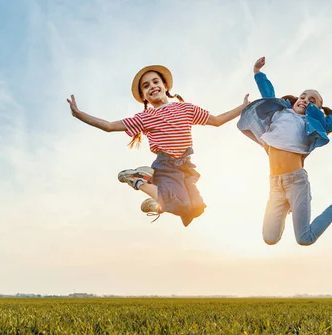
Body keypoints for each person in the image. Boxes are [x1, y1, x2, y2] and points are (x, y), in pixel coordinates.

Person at [67, 65, 249, 226]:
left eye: (155, 82)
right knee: (182, 205)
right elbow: (109, 126)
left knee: (197, 208)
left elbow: (217, 121)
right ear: (143, 96)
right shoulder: (144, 118)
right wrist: (80, 114)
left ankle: (159, 204)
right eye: (146, 86)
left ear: (165, 86)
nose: (152, 86)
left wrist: (243, 107)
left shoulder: (186, 109)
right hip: (166, 165)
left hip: (185, 165)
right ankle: (137, 179)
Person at [237, 57, 332, 245]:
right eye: (303, 96)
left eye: (312, 100)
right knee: (269, 238)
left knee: (305, 238)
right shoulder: (279, 112)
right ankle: (288, 205)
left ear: (318, 108)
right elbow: (268, 94)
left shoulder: (314, 124)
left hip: (296, 183)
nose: (305, 100)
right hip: (275, 185)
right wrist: (258, 72)